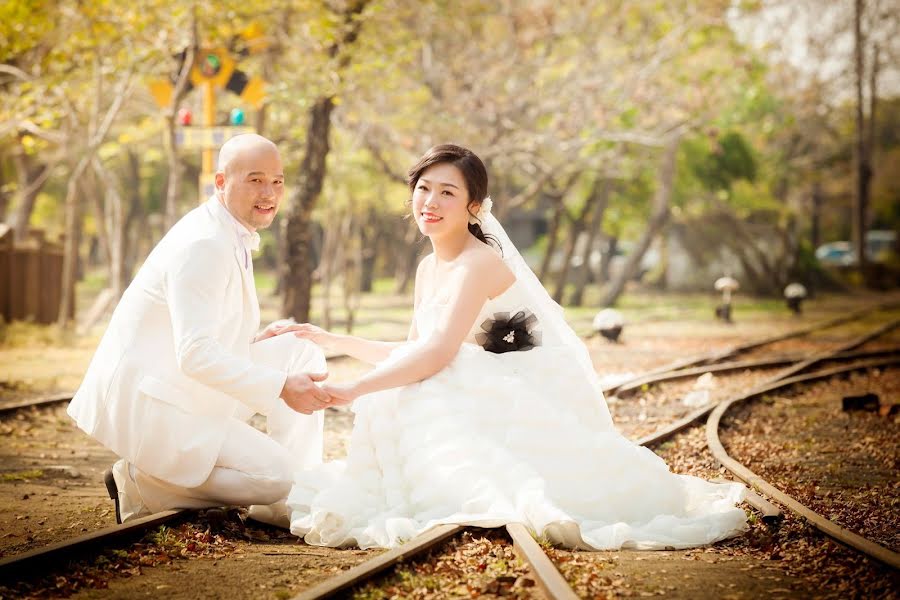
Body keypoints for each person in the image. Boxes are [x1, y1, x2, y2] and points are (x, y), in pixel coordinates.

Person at [280, 144, 749, 550]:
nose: (431, 201)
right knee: (416, 385)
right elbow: (415, 351)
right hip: (470, 384)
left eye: (448, 192)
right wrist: (333, 340)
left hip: (511, 393)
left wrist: (355, 389)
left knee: (427, 384)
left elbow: (438, 354)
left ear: (474, 207)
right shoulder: (429, 267)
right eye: (424, 188)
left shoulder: (477, 264)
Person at [68, 134, 332, 524]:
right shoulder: (204, 244)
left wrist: (255, 342)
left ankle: (289, 503)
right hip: (158, 402)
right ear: (221, 182)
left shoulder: (227, 228)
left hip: (182, 382)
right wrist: (279, 385)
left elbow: (200, 331)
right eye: (255, 180)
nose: (270, 193)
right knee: (275, 475)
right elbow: (194, 354)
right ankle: (143, 480)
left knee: (300, 348)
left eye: (277, 181)